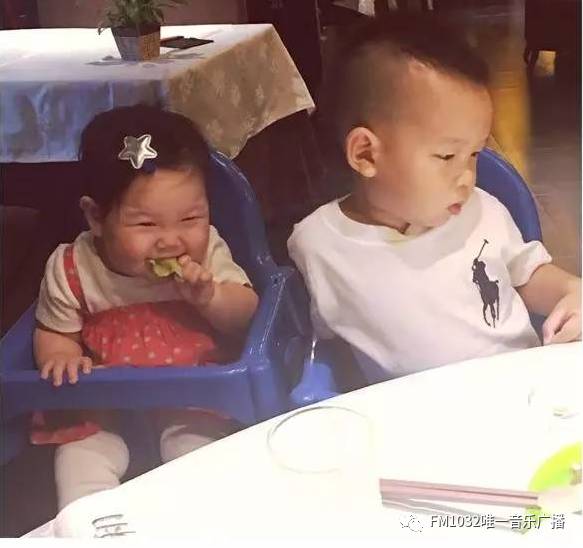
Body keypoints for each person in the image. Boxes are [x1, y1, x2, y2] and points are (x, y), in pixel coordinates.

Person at [288, 14, 581, 384]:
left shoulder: (481, 211)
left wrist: (572, 290)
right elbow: (317, 353)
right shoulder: (319, 246)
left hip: (523, 387)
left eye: (474, 154)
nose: (468, 177)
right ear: (366, 154)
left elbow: (528, 274)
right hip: (420, 410)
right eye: (446, 156)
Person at [33, 105, 259, 509]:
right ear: (96, 217)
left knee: (194, 452)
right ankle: (91, 521)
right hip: (104, 401)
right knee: (81, 457)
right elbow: (54, 330)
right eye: (146, 225)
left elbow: (247, 315)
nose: (171, 240)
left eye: (190, 218)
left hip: (191, 393)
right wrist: (61, 356)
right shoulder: (72, 266)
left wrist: (211, 298)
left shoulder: (207, 254)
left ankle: (200, 518)